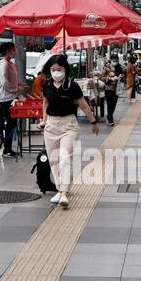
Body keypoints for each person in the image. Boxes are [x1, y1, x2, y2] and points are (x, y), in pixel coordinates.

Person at [41, 54, 97, 209]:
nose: (56, 72)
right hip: (51, 125)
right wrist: (44, 121)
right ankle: (59, 189)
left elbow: (84, 105)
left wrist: (93, 121)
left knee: (65, 157)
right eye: (53, 69)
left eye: (59, 69)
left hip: (69, 125)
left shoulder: (72, 86)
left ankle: (64, 193)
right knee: (54, 160)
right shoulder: (47, 85)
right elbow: (45, 103)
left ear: (65, 69)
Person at [0, 41, 24, 159]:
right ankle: (7, 148)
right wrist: (16, 88)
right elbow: (5, 83)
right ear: (8, 51)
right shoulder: (3, 65)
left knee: (12, 123)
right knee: (11, 123)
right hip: (5, 98)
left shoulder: (10, 64)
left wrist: (18, 85)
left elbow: (11, 80)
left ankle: (8, 147)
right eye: (13, 50)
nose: (15, 52)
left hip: (11, 96)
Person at [101, 60, 119, 125]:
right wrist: (110, 78)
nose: (115, 62)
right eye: (114, 60)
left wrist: (119, 78)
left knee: (114, 104)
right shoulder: (106, 67)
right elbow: (102, 77)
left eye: (116, 60)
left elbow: (122, 75)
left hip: (116, 89)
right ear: (111, 60)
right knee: (109, 104)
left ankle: (109, 115)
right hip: (108, 89)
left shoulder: (118, 67)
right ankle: (110, 119)